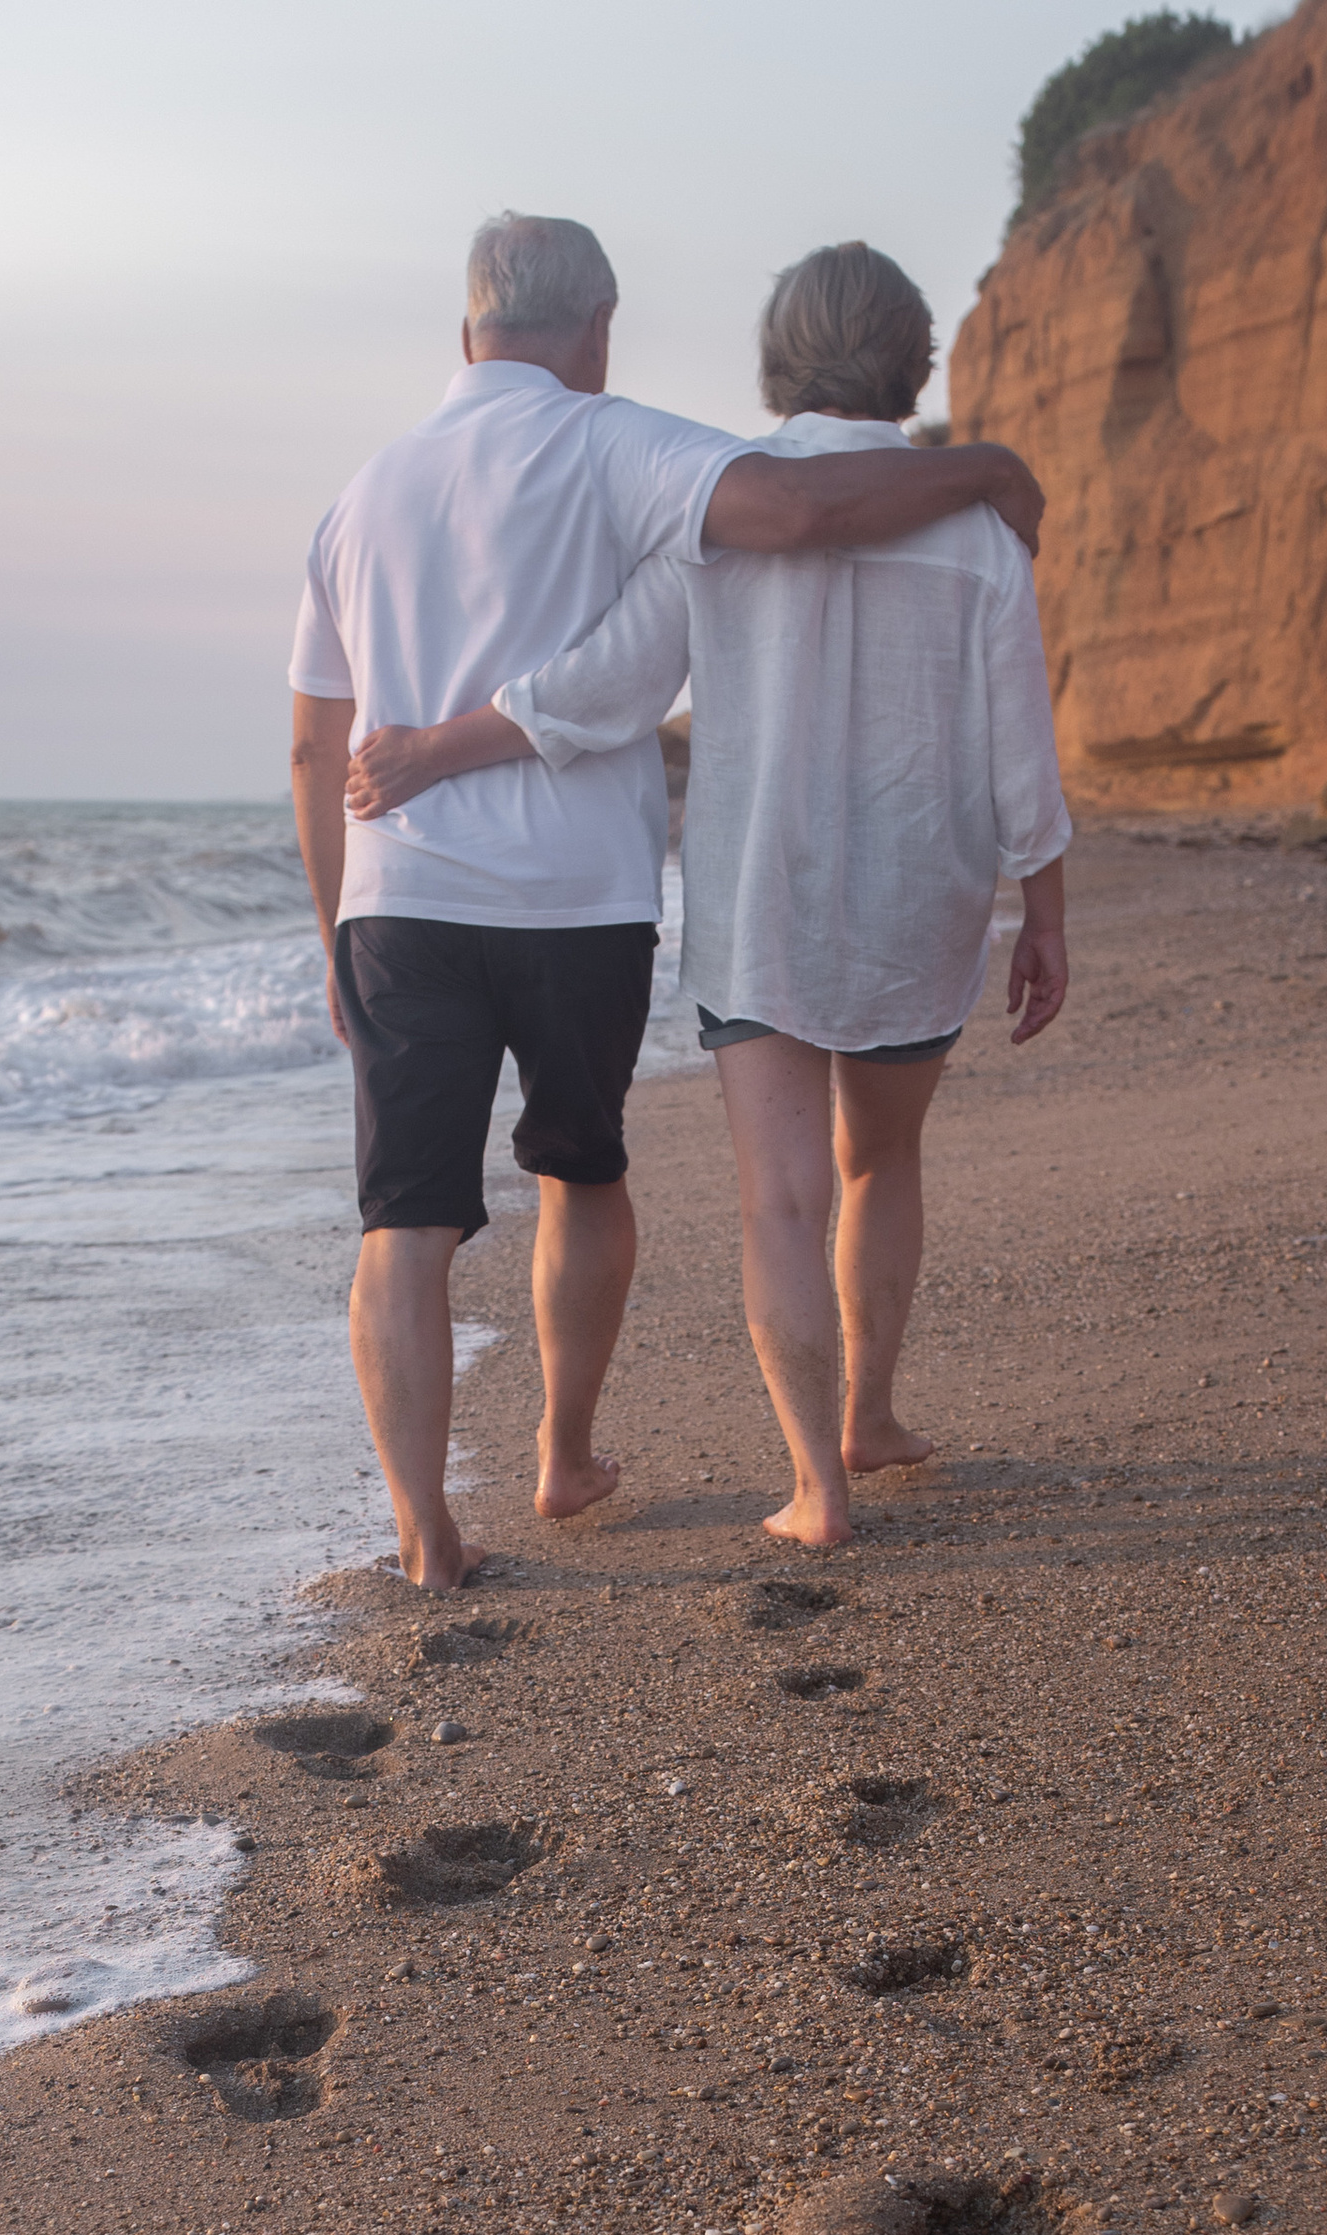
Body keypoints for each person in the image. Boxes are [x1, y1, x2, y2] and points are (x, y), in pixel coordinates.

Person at [289, 211, 1047, 1590]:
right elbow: (856, 563)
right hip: (735, 894)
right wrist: (983, 466)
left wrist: (369, 867)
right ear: (598, 331)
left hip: (565, 897)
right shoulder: (672, 457)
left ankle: (496, 1525)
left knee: (492, 1216)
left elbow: (380, 729)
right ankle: (717, 1434)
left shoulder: (400, 495)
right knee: (721, 1169)